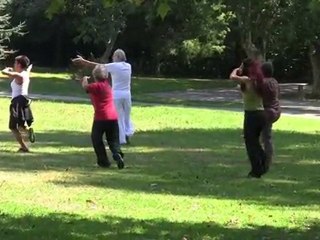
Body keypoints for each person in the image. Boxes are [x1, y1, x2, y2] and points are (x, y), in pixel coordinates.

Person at [72, 49, 134, 145]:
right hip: (127, 94)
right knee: (127, 116)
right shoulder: (128, 66)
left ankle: (121, 139)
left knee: (119, 116)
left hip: (117, 95)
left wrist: (84, 62)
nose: (112, 58)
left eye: (114, 56)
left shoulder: (115, 66)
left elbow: (98, 67)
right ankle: (128, 133)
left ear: (117, 57)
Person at [80, 64, 124, 169]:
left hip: (101, 117)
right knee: (113, 139)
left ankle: (103, 161)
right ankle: (117, 153)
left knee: (96, 138)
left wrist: (84, 79)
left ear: (95, 76)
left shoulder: (96, 86)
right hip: (113, 117)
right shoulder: (108, 86)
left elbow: (85, 87)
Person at [230, 58, 267, 178]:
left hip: (252, 114)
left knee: (250, 143)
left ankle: (256, 170)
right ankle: (262, 161)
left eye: (242, 66)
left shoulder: (247, 80)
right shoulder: (258, 81)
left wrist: (236, 70)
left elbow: (232, 77)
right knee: (255, 142)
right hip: (261, 114)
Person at [1, 55, 35, 153]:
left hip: (18, 101)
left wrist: (7, 69)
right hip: (20, 101)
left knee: (16, 125)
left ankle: (27, 136)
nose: (14, 65)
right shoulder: (24, 73)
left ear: (19, 64)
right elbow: (27, 70)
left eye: (15, 63)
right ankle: (24, 145)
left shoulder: (20, 75)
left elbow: (4, 72)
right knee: (16, 126)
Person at [260, 62, 281, 171]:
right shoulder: (274, 81)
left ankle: (267, 160)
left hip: (267, 112)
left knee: (266, 137)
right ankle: (266, 156)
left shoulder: (263, 82)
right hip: (276, 111)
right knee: (265, 135)